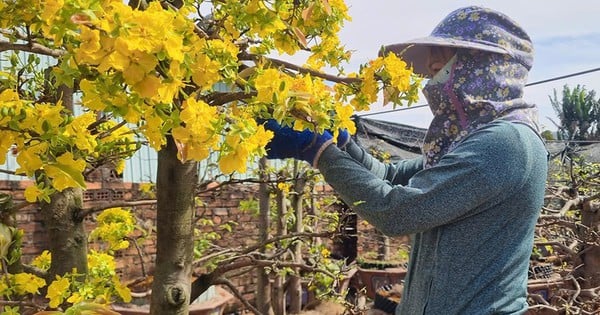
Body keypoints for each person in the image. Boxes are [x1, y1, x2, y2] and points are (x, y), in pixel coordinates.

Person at [263, 6, 548, 315]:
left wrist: (318, 151)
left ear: (485, 65)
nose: (432, 69)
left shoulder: (506, 143)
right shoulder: (472, 140)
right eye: (433, 61)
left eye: (444, 58)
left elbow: (398, 211)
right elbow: (389, 175)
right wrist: (343, 142)